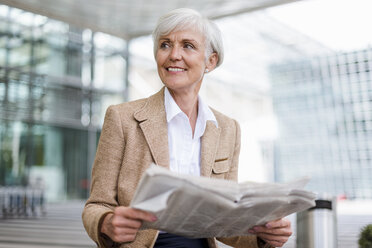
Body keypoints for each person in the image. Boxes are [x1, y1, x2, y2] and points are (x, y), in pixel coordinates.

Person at [82, 8, 292, 248]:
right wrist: (106, 222)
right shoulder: (122, 118)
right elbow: (96, 205)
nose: (174, 55)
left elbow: (225, 224)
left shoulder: (227, 129)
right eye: (165, 45)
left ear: (210, 61)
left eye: (188, 46)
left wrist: (263, 235)